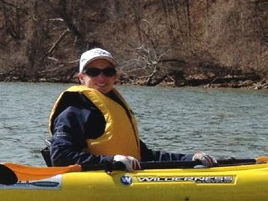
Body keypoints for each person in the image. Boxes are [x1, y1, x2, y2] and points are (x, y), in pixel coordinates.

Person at [48, 47, 216, 170]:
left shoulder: (115, 110)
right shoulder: (72, 112)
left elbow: (145, 156)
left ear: (115, 76)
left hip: (122, 181)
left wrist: (190, 159)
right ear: (81, 77)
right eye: (93, 72)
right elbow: (60, 157)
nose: (102, 77)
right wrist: (111, 162)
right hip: (93, 184)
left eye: (108, 72)